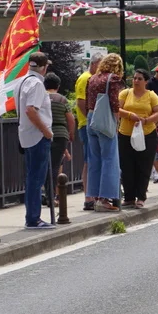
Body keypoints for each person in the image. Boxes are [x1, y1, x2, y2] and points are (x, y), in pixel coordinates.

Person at [17, 52, 55, 229]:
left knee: (31, 177)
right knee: (36, 178)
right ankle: (33, 218)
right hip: (38, 136)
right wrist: (46, 131)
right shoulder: (37, 84)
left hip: (26, 135)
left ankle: (32, 216)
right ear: (44, 67)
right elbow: (31, 110)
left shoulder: (21, 82)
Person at [85, 54, 125, 211]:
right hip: (105, 120)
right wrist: (116, 123)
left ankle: (94, 197)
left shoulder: (92, 79)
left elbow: (87, 101)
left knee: (95, 160)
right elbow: (114, 103)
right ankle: (104, 199)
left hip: (91, 118)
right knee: (109, 159)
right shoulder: (112, 79)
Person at [118, 69, 158, 208]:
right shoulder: (125, 93)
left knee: (144, 166)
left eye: (139, 79)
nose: (136, 81)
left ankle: (141, 197)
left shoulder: (151, 95)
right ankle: (129, 197)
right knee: (127, 166)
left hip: (147, 134)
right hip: (126, 134)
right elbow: (117, 109)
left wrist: (146, 120)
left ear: (146, 81)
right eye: (134, 78)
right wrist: (129, 115)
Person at [45, 73, 75, 206]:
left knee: (45, 166)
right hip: (60, 135)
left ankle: (47, 195)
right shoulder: (62, 99)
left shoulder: (41, 98)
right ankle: (51, 197)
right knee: (55, 166)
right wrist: (71, 134)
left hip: (44, 134)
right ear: (58, 86)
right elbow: (71, 119)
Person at [74, 57, 98, 210]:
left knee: (92, 159)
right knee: (90, 160)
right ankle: (89, 197)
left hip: (89, 123)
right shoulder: (86, 78)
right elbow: (81, 102)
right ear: (94, 64)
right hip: (86, 124)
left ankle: (92, 195)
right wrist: (90, 120)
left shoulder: (91, 78)